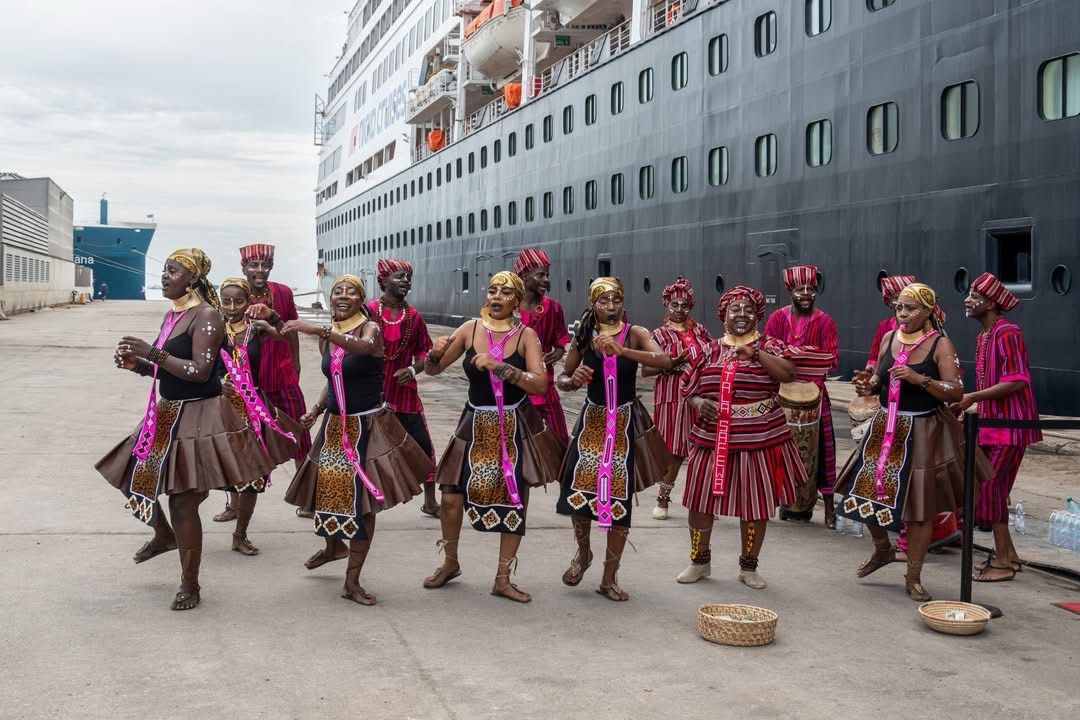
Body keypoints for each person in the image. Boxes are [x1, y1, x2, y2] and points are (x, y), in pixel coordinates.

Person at [96, 248, 275, 610]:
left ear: (192, 278)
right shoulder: (173, 315)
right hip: (167, 413)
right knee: (130, 477)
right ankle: (164, 535)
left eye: (173, 271)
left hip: (199, 417)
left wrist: (151, 353)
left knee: (183, 502)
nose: (165, 276)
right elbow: (168, 369)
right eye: (165, 270)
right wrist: (137, 365)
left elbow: (200, 371)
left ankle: (190, 584)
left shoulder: (206, 315)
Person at [282, 274, 433, 605]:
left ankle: (352, 582)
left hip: (367, 428)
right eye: (338, 290)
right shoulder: (331, 337)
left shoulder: (370, 329)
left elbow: (364, 349)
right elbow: (334, 377)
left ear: (361, 300)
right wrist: (317, 409)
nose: (342, 295)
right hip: (335, 427)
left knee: (362, 507)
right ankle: (333, 548)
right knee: (328, 496)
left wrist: (318, 330)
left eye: (351, 292)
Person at [838, 283, 988, 601]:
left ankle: (914, 576)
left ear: (928, 311)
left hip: (924, 430)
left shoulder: (940, 344)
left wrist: (919, 379)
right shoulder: (890, 337)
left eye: (910, 308)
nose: (903, 314)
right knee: (864, 492)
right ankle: (882, 549)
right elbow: (879, 377)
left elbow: (956, 391)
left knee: (919, 508)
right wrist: (868, 385)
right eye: (899, 308)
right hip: (886, 428)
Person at [421, 271, 560, 603]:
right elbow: (433, 370)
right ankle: (450, 562)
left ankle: (502, 577)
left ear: (516, 301)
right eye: (493, 290)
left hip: (513, 424)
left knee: (515, 498)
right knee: (450, 495)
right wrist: (434, 354)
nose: (496, 296)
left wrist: (500, 367)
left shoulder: (526, 335)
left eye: (505, 292)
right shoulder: (469, 329)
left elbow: (540, 383)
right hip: (473, 421)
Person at [678, 286, 831, 588]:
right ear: (723, 315)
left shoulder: (770, 346)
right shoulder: (708, 350)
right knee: (699, 501)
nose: (742, 315)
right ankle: (699, 561)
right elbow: (688, 388)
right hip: (712, 437)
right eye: (734, 309)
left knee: (755, 504)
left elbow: (788, 374)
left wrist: (756, 354)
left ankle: (748, 567)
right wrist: (698, 403)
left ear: (758, 316)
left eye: (749, 310)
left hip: (758, 437)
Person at [556, 277, 677, 601]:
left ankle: (609, 578)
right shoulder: (584, 335)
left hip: (624, 423)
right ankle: (584, 553)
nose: (611, 306)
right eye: (603, 301)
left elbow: (665, 361)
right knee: (579, 495)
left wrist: (623, 350)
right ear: (592, 304)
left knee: (619, 502)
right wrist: (573, 379)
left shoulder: (635, 333)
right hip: (592, 422)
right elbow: (562, 379)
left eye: (616, 300)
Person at [951, 273, 1041, 582]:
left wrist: (973, 397)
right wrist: (972, 408)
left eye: (975, 296)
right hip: (991, 424)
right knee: (988, 488)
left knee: (991, 488)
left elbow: (1017, 381)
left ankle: (1003, 561)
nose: (967, 300)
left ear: (990, 304)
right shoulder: (983, 337)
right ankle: (1009, 555)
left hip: (1011, 426)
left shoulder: (1007, 333)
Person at [215, 243, 311, 523]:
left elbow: (290, 330)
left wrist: (296, 363)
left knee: (299, 432)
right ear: (243, 267)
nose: (259, 270)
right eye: (253, 265)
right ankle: (235, 504)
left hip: (281, 372)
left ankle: (308, 497)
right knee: (239, 440)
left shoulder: (282, 292)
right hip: (246, 382)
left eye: (265, 265)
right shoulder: (235, 296)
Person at [763, 264, 839, 526]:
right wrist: (804, 356)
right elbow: (767, 349)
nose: (806, 293)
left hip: (815, 395)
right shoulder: (777, 318)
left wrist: (789, 355)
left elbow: (831, 358)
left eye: (810, 288)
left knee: (825, 450)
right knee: (775, 449)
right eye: (800, 289)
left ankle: (829, 508)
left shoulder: (825, 321)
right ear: (790, 291)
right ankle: (777, 503)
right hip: (782, 394)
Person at [366, 258, 439, 517]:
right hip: (371, 392)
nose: (406, 281)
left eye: (408, 277)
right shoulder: (368, 311)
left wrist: (412, 370)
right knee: (365, 447)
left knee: (422, 445)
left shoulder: (414, 316)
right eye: (399, 277)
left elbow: (425, 353)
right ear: (383, 280)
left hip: (404, 393)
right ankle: (361, 500)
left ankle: (430, 501)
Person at [642, 276, 710, 520]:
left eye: (684, 305)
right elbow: (646, 370)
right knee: (675, 451)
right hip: (672, 396)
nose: (680, 309)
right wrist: (670, 364)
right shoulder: (658, 335)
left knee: (704, 449)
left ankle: (704, 500)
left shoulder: (700, 331)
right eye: (675, 305)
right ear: (666, 305)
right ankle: (663, 498)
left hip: (700, 395)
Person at [514, 248, 571, 445]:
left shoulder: (553, 308)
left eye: (547, 275)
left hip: (545, 387)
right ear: (524, 276)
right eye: (540, 275)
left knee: (559, 440)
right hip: (514, 387)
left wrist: (558, 352)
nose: (546, 280)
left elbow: (560, 342)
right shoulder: (508, 308)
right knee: (519, 443)